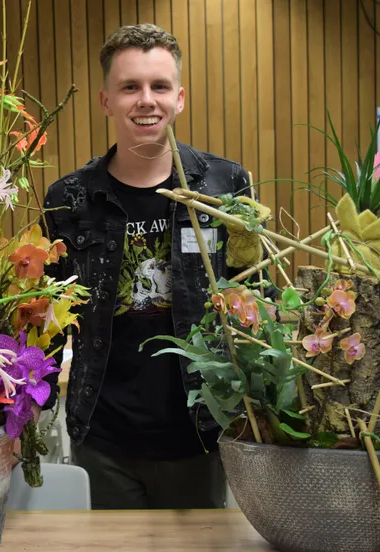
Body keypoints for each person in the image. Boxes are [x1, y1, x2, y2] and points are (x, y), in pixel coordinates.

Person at [39, 23, 258, 510]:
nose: (146, 100)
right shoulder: (69, 199)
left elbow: (254, 300)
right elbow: (48, 322)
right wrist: (26, 417)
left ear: (179, 98)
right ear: (105, 100)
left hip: (201, 433)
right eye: (130, 87)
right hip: (103, 436)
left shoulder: (225, 185)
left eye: (159, 86)